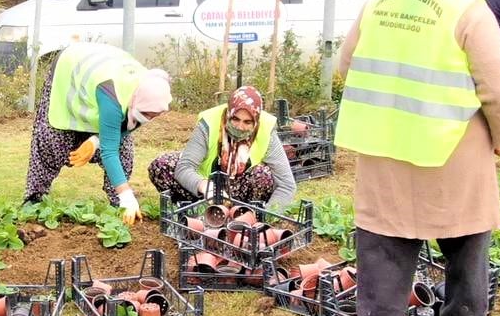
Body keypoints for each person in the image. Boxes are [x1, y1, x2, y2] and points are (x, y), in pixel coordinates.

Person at [334, 0, 500, 316]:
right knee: (466, 237)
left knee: (383, 240)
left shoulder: (379, 2)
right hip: (450, 147)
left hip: (383, 145)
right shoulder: (467, 10)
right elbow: (498, 89)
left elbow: (346, 66)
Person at [23, 42, 172, 225]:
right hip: (71, 67)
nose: (149, 119)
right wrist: (127, 195)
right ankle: (34, 199)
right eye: (148, 114)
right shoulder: (114, 95)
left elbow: (126, 127)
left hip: (106, 72)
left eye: (154, 115)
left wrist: (95, 140)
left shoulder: (151, 91)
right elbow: (109, 151)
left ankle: (117, 201)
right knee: (51, 140)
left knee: (123, 149)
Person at [147, 85, 297, 208]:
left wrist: (265, 217)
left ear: (256, 120)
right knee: (162, 165)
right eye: (235, 119)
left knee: (263, 175)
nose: (240, 126)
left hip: (241, 196)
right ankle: (193, 210)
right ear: (228, 113)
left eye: (247, 122)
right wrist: (206, 187)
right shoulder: (209, 123)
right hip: (204, 191)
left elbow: (287, 185)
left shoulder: (266, 130)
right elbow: (184, 167)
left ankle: (242, 216)